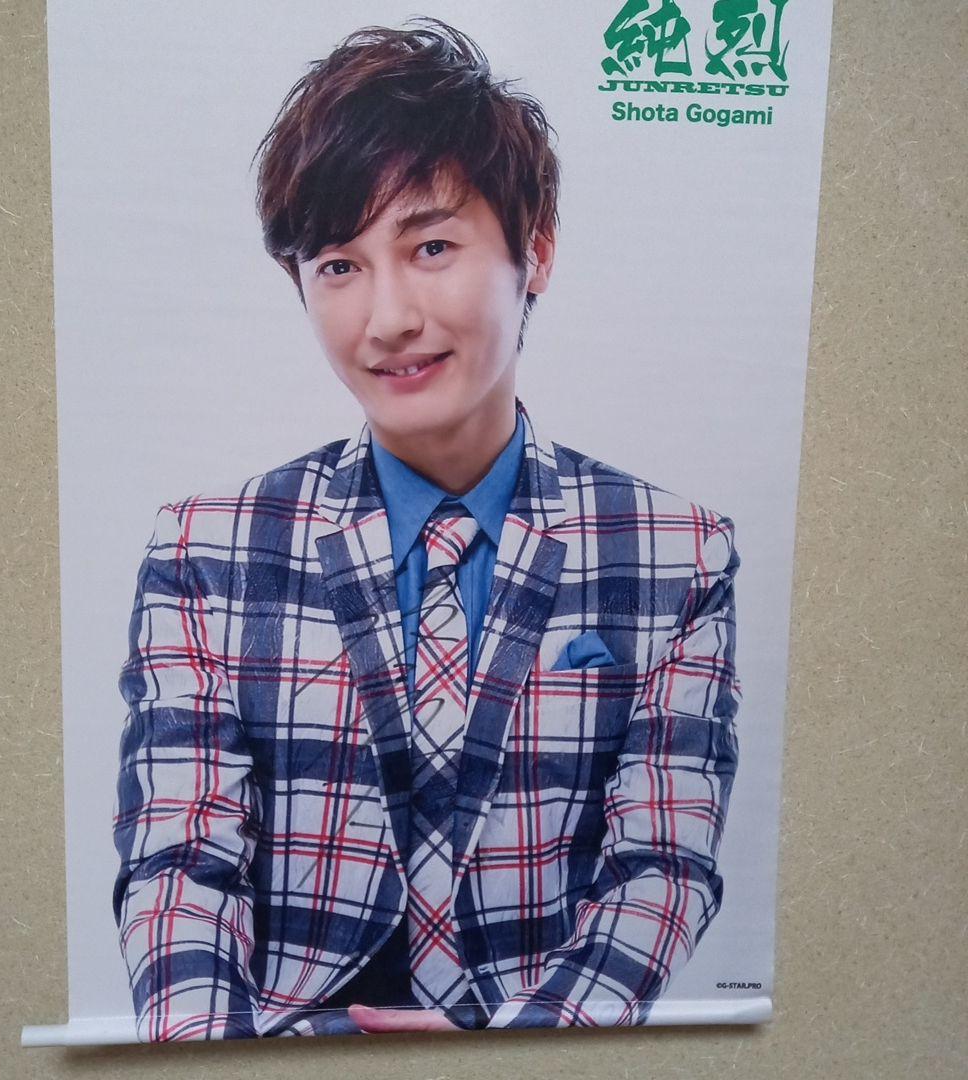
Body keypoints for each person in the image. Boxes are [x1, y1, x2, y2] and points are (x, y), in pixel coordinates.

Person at [113, 18, 742, 1041]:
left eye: (432, 246)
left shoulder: (676, 551)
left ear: (535, 253)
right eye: (339, 265)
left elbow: (661, 867)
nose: (388, 318)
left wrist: (519, 1052)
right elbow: (180, 864)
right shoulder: (205, 550)